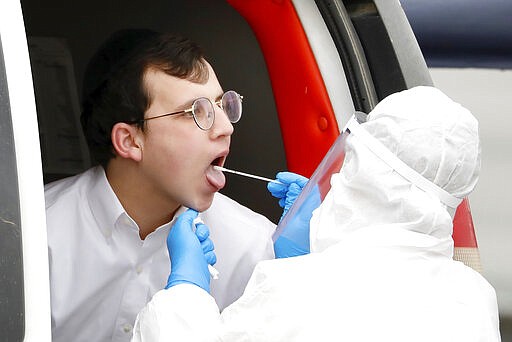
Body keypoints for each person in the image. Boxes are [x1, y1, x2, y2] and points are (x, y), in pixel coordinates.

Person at [131, 86, 501, 341]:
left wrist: (186, 290)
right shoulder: (473, 297)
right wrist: (320, 249)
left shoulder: (295, 296)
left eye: (350, 162)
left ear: (370, 177)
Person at [44, 29, 276, 342]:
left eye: (223, 106)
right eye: (198, 112)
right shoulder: (36, 237)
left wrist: (303, 266)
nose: (225, 128)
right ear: (129, 140)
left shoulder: (254, 246)